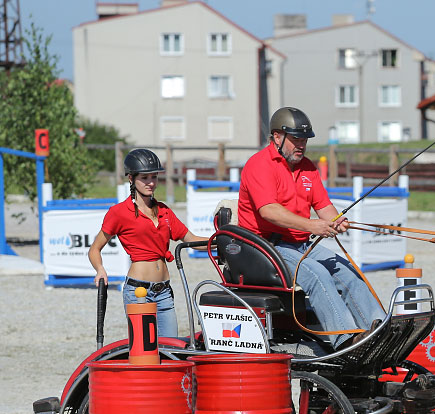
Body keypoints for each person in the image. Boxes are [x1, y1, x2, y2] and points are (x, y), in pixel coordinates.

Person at [238, 106, 384, 349]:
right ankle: (345, 341)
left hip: (299, 243)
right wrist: (312, 225)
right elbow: (269, 211)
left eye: (304, 139)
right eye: (296, 139)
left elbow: (323, 205)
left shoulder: (307, 167)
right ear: (277, 137)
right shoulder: (259, 165)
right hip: (266, 246)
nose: (301, 145)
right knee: (318, 276)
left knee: (349, 272)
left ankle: (377, 332)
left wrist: (336, 220)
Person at [88, 148, 207, 338]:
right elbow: (94, 249)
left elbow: (191, 240)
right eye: (144, 177)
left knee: (172, 348)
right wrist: (100, 269)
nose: (151, 183)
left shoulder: (165, 211)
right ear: (131, 179)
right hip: (139, 292)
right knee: (145, 354)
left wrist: (223, 239)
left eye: (154, 177)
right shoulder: (119, 212)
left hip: (165, 291)